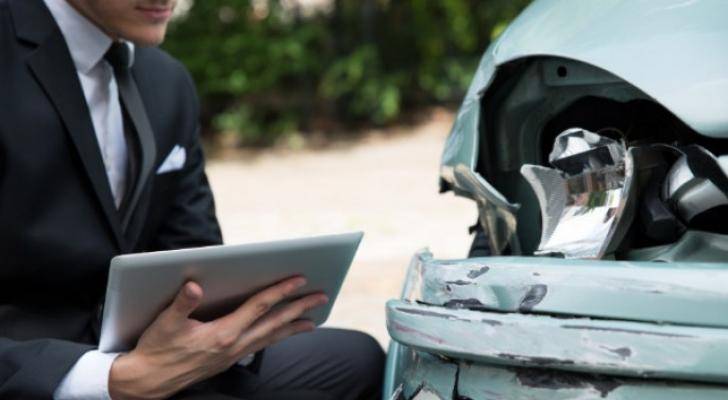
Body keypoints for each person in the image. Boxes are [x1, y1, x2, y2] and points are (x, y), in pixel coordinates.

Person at [0, 0, 385, 398]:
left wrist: (230, 332)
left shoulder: (165, 80)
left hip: (143, 346)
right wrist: (114, 379)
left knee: (360, 359)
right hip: (34, 368)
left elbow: (192, 250)